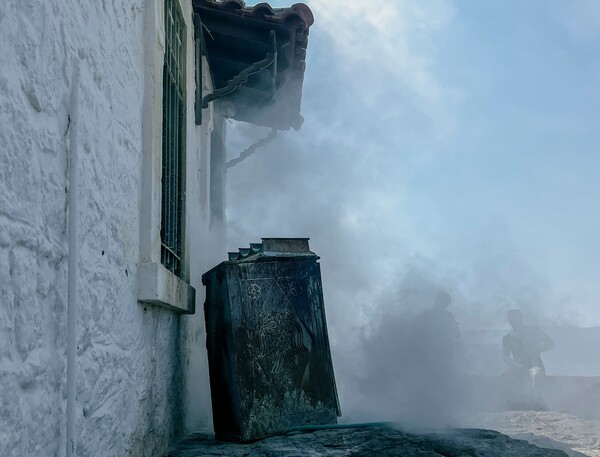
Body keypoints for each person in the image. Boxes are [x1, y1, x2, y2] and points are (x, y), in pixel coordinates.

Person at [501, 309, 555, 408]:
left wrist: (536, 350)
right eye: (510, 319)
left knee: (537, 374)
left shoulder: (534, 330)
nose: (512, 321)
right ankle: (507, 402)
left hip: (534, 365)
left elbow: (550, 343)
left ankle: (536, 401)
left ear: (520, 318)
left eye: (514, 318)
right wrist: (517, 365)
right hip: (517, 366)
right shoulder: (507, 337)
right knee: (503, 375)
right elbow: (505, 356)